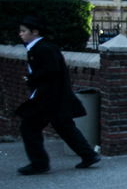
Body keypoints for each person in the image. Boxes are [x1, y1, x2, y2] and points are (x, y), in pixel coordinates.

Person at [15, 16, 100, 175]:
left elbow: (51, 72)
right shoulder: (39, 48)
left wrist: (32, 79)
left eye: (23, 31)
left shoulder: (43, 49)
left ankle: (39, 164)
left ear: (35, 32)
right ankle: (89, 155)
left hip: (47, 98)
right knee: (65, 127)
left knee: (29, 127)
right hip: (53, 98)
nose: (21, 34)